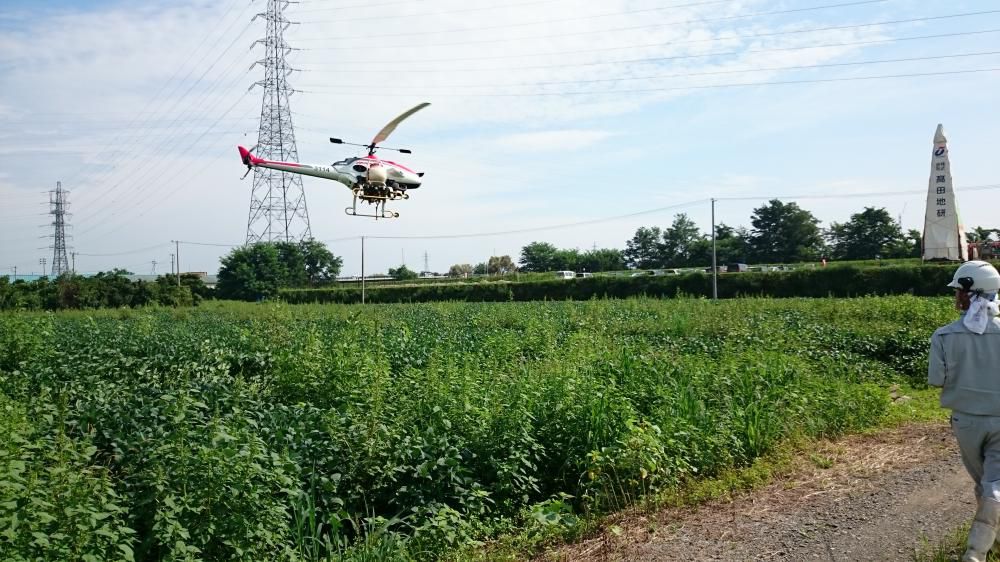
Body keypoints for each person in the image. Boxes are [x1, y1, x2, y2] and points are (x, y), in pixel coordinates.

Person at [929, 260, 1000, 562]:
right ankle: (985, 547)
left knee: (986, 483)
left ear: (971, 293)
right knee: (994, 485)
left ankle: (976, 552)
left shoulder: (944, 336)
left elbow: (936, 380)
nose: (956, 296)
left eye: (958, 291)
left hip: (966, 421)